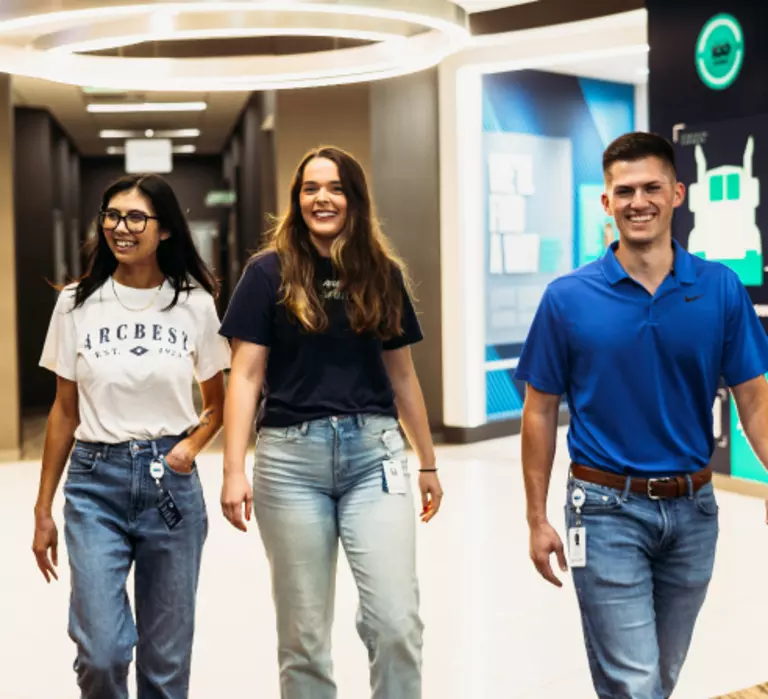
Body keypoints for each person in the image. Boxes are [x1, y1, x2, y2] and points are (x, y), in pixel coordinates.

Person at [515, 132, 768, 699]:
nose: (639, 202)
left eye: (652, 187)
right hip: (604, 509)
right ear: (606, 202)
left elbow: (754, 396)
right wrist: (536, 516)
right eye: (624, 191)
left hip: (694, 510)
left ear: (677, 194)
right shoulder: (567, 297)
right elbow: (539, 411)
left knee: (658, 677)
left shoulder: (719, 288)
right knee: (635, 683)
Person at [219, 145, 443, 699]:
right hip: (290, 465)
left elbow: (402, 375)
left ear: (355, 199)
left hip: (375, 456)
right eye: (311, 188)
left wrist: (428, 462)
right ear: (297, 200)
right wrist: (232, 470)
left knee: (396, 622)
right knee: (303, 638)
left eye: (336, 187)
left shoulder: (382, 273)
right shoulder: (266, 272)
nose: (323, 198)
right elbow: (245, 376)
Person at [32, 173, 231, 699]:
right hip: (95, 483)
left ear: (164, 230)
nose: (121, 227)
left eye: (136, 217)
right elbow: (64, 411)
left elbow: (217, 404)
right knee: (102, 654)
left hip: (171, 483)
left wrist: (190, 447)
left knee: (166, 666)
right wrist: (42, 508)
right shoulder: (75, 303)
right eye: (112, 216)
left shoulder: (194, 303)